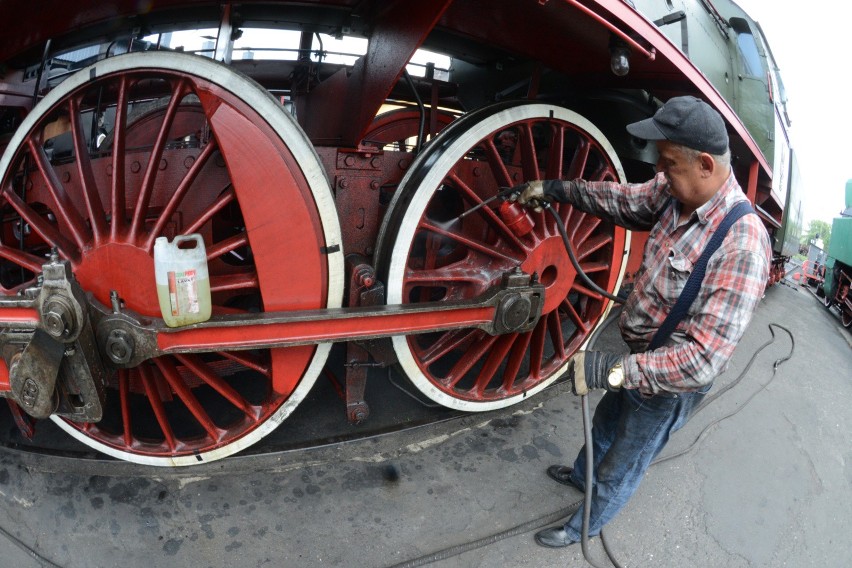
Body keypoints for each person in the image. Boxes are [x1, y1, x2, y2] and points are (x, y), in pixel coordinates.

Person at [513, 96, 771, 548]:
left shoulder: (743, 245)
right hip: (640, 356)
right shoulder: (675, 192)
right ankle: (580, 476)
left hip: (673, 382)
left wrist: (611, 371)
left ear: (706, 165)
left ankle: (585, 525)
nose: (659, 172)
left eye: (668, 163)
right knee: (607, 423)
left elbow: (701, 361)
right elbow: (618, 199)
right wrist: (554, 189)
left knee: (626, 456)